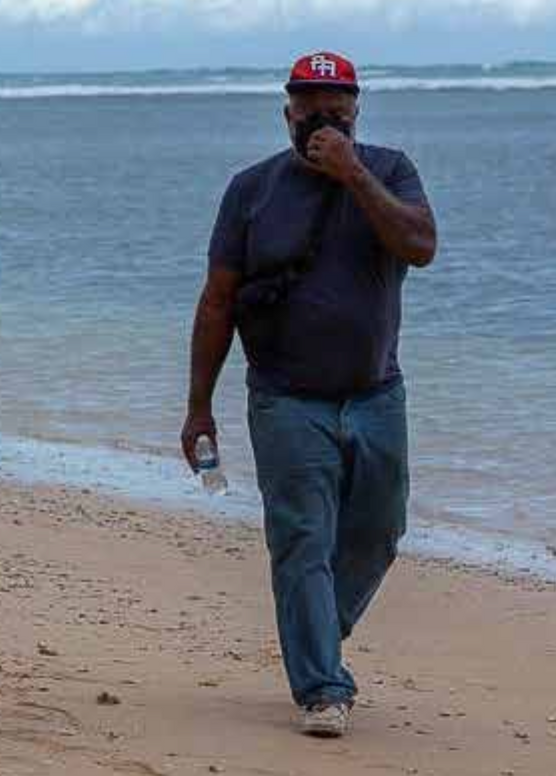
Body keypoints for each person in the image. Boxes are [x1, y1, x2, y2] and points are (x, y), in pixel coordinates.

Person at [181, 51, 437, 738]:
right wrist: (198, 404)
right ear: (286, 112)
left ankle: (316, 625)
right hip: (285, 397)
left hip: (377, 392)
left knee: (379, 531)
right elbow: (217, 300)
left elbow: (421, 245)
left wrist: (353, 174)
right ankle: (323, 686)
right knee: (301, 540)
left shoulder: (389, 170)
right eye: (308, 104)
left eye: (337, 105)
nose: (322, 115)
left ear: (357, 112)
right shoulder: (252, 189)